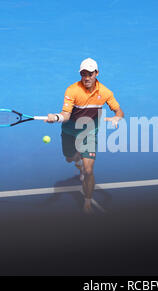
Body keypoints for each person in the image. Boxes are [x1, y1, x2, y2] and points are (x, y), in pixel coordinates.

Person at [46, 58, 124, 213]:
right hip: (69, 131)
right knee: (70, 158)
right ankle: (78, 162)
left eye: (90, 73)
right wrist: (56, 117)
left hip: (89, 132)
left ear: (96, 73)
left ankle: (87, 202)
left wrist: (117, 117)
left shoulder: (106, 92)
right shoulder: (72, 90)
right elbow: (65, 114)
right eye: (83, 74)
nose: (87, 77)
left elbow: (119, 111)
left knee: (89, 171)